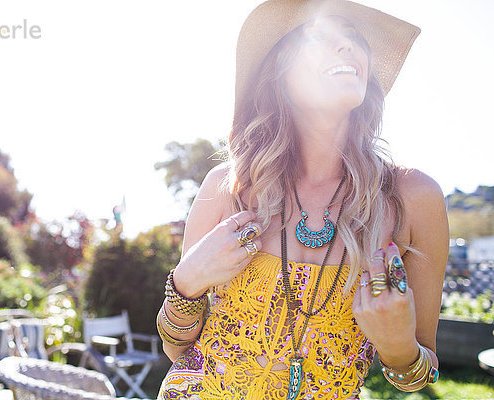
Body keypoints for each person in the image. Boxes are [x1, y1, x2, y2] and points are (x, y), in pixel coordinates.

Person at [156, 0, 449, 398]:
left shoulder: (412, 198)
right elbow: (177, 351)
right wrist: (185, 283)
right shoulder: (229, 186)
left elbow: (423, 368)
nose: (346, 47)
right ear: (280, 74)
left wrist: (399, 347)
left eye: (353, 38)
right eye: (322, 38)